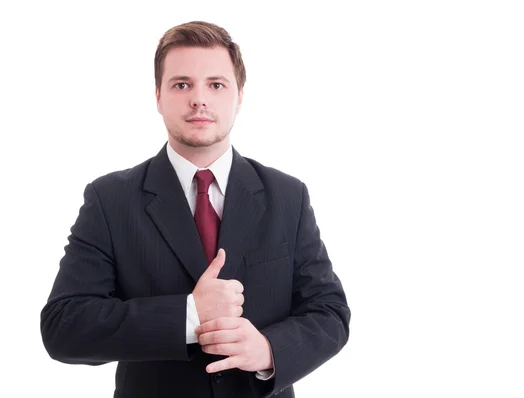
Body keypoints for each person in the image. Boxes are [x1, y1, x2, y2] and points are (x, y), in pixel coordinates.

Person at [40, 20, 350, 398]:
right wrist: (190, 315)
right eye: (182, 84)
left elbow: (330, 312)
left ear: (239, 96)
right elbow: (64, 327)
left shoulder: (288, 196)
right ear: (157, 96)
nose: (199, 99)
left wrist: (269, 350)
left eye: (216, 85)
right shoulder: (110, 199)